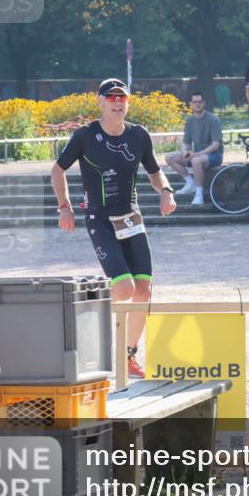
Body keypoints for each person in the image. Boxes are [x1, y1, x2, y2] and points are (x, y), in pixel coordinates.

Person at [51, 78, 176, 378]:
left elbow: (155, 172)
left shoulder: (139, 135)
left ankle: (128, 354)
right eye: (112, 98)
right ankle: (82, 311)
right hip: (99, 218)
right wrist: (64, 207)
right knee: (123, 287)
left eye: (122, 98)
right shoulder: (85, 136)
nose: (118, 103)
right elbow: (58, 170)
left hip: (131, 217)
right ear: (101, 102)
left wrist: (166, 191)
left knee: (143, 289)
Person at [165, 91, 223, 205]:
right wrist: (185, 151)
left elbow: (216, 145)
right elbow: (185, 142)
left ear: (204, 103)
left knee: (196, 160)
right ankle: (190, 183)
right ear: (190, 104)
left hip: (214, 156)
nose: (197, 104)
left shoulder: (213, 119)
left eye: (200, 102)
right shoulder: (190, 120)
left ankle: (199, 194)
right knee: (170, 157)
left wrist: (196, 154)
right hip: (197, 155)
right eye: (195, 102)